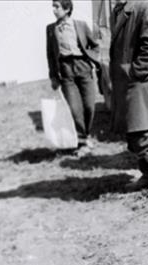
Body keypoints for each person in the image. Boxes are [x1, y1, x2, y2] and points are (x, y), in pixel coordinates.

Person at [109, 0, 148, 193]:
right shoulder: (118, 11)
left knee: (139, 133)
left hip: (140, 83)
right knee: (132, 132)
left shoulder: (143, 8)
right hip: (127, 83)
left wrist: (133, 72)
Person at [46, 0, 101, 152]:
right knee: (75, 109)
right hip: (66, 72)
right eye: (53, 7)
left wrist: (92, 58)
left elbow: (95, 45)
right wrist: (53, 76)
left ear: (67, 9)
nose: (54, 10)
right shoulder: (50, 29)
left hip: (83, 67)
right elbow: (50, 55)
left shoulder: (81, 25)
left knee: (89, 106)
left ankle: (86, 135)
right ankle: (82, 142)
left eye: (57, 7)